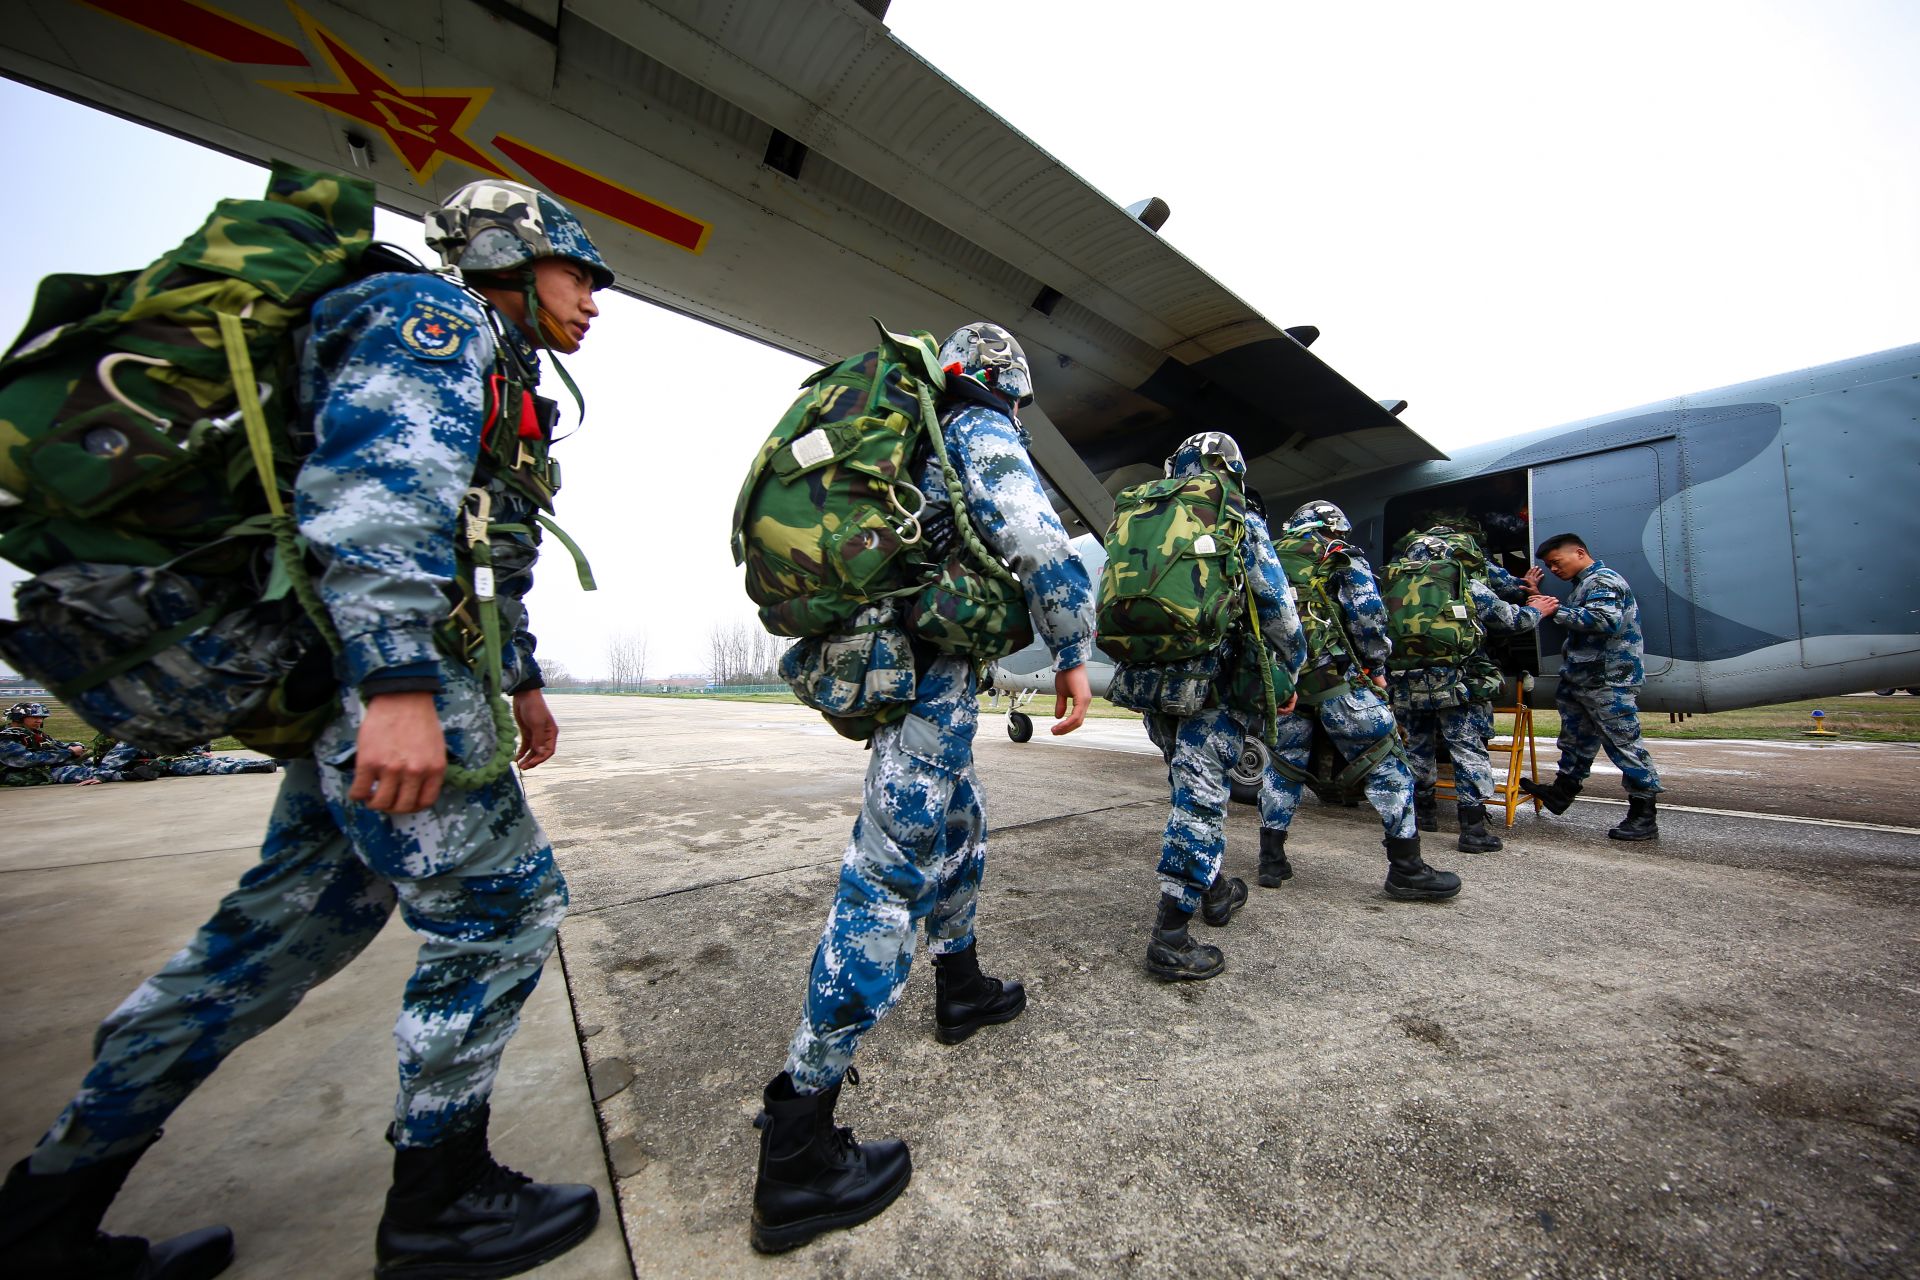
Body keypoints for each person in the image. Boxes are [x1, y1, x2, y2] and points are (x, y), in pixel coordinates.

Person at [0, 179, 613, 1280]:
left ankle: (42, 1216)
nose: (594, 302)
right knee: (501, 907)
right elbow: (377, 496)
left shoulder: (498, 366)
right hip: (377, 687)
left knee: (277, 935)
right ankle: (439, 1199)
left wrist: (516, 678)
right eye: (581, 274)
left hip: (368, 687)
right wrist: (397, 685)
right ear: (514, 260)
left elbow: (481, 539)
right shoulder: (435, 323)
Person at [751, 322, 1096, 1255]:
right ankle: (799, 1142)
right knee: (887, 874)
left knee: (960, 823)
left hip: (909, 670)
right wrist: (1071, 648)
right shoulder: (977, 427)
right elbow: (1034, 534)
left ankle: (962, 982)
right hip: (926, 676)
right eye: (1020, 405)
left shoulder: (913, 435)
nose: (1018, 418)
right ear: (1007, 388)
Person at [1117, 433, 1303, 981]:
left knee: (1187, 787)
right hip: (1213, 688)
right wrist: (1287, 674)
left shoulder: (1144, 511)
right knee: (1199, 805)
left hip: (1153, 685)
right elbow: (1279, 612)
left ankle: (1216, 891)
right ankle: (1170, 936)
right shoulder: (1234, 516)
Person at [1257, 501, 1461, 901]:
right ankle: (1406, 869)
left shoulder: (1268, 556)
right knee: (1390, 767)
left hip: (1286, 688)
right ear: (1334, 529)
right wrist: (1376, 663)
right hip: (1340, 684)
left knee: (1283, 769)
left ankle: (1271, 860)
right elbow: (1368, 617)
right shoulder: (1339, 556)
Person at [1387, 535, 1540, 853]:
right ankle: (1472, 830)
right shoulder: (1461, 581)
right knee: (1467, 751)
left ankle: (1422, 817)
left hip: (1406, 685)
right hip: (1459, 683)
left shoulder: (1390, 587)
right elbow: (1510, 620)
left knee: (1415, 751)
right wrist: (1538, 610)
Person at [1520, 533, 1663, 840]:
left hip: (1607, 680)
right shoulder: (1584, 585)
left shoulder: (1603, 581)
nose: (1554, 570)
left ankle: (1644, 814)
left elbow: (1604, 621)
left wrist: (1551, 610)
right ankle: (1561, 792)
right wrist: (1539, 596)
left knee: (1623, 743)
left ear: (1580, 553)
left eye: (1556, 563)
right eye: (1549, 566)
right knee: (1575, 740)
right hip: (1583, 680)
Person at [1, 701, 106, 787]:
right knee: (93, 773)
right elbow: (25, 760)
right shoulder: (6, 738)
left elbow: (55, 745)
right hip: (24, 774)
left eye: (41, 718)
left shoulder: (32, 733)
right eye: (35, 717)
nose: (39, 721)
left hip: (44, 768)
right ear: (19, 718)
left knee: (99, 763)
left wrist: (75, 746)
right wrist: (69, 752)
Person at [95, 738, 279, 778]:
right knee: (207, 766)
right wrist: (102, 775)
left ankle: (268, 762)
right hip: (160, 764)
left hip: (177, 758)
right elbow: (118, 755)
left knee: (221, 759)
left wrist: (199, 750)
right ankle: (254, 767)